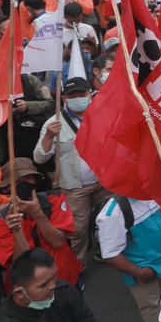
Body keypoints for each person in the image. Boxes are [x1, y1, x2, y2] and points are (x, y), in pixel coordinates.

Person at [32, 76, 108, 265]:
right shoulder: (53, 124)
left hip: (104, 181)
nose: (77, 98)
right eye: (72, 95)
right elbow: (39, 158)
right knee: (78, 230)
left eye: (81, 94)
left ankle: (106, 249)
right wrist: (49, 136)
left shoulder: (102, 115)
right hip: (75, 188)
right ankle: (76, 269)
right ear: (64, 98)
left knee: (108, 219)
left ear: (90, 94)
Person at [96, 194, 161, 322]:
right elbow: (110, 254)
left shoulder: (157, 189)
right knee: (151, 306)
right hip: (143, 269)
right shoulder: (112, 213)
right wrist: (139, 272)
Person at [0, 159, 82, 288]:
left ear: (35, 181)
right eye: (16, 181)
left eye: (27, 178)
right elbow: (21, 262)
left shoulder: (54, 199)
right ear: (6, 189)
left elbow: (58, 242)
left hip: (67, 280)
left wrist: (37, 213)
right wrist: (17, 230)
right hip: (30, 291)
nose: (22, 184)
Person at [0, 248, 95, 322]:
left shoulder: (62, 289)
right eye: (44, 285)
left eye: (54, 276)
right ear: (20, 292)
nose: (53, 285)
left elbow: (85, 318)